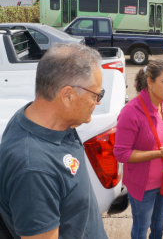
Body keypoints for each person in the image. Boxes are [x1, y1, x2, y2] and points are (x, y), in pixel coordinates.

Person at [0, 43, 108, 239]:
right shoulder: (33, 168)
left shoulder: (46, 120)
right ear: (67, 96)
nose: (98, 102)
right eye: (96, 95)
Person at [113, 59, 163, 239]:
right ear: (150, 82)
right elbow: (121, 153)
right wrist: (159, 153)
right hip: (142, 184)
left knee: (159, 224)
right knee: (141, 227)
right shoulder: (131, 111)